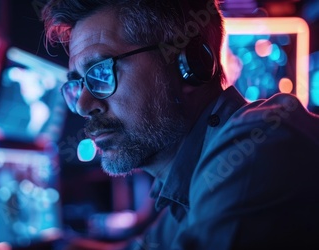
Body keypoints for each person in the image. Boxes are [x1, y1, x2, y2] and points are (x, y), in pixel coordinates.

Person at [41, 0, 319, 249]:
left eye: (102, 71)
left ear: (189, 64)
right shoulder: (184, 184)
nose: (83, 105)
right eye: (77, 83)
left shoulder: (259, 144)